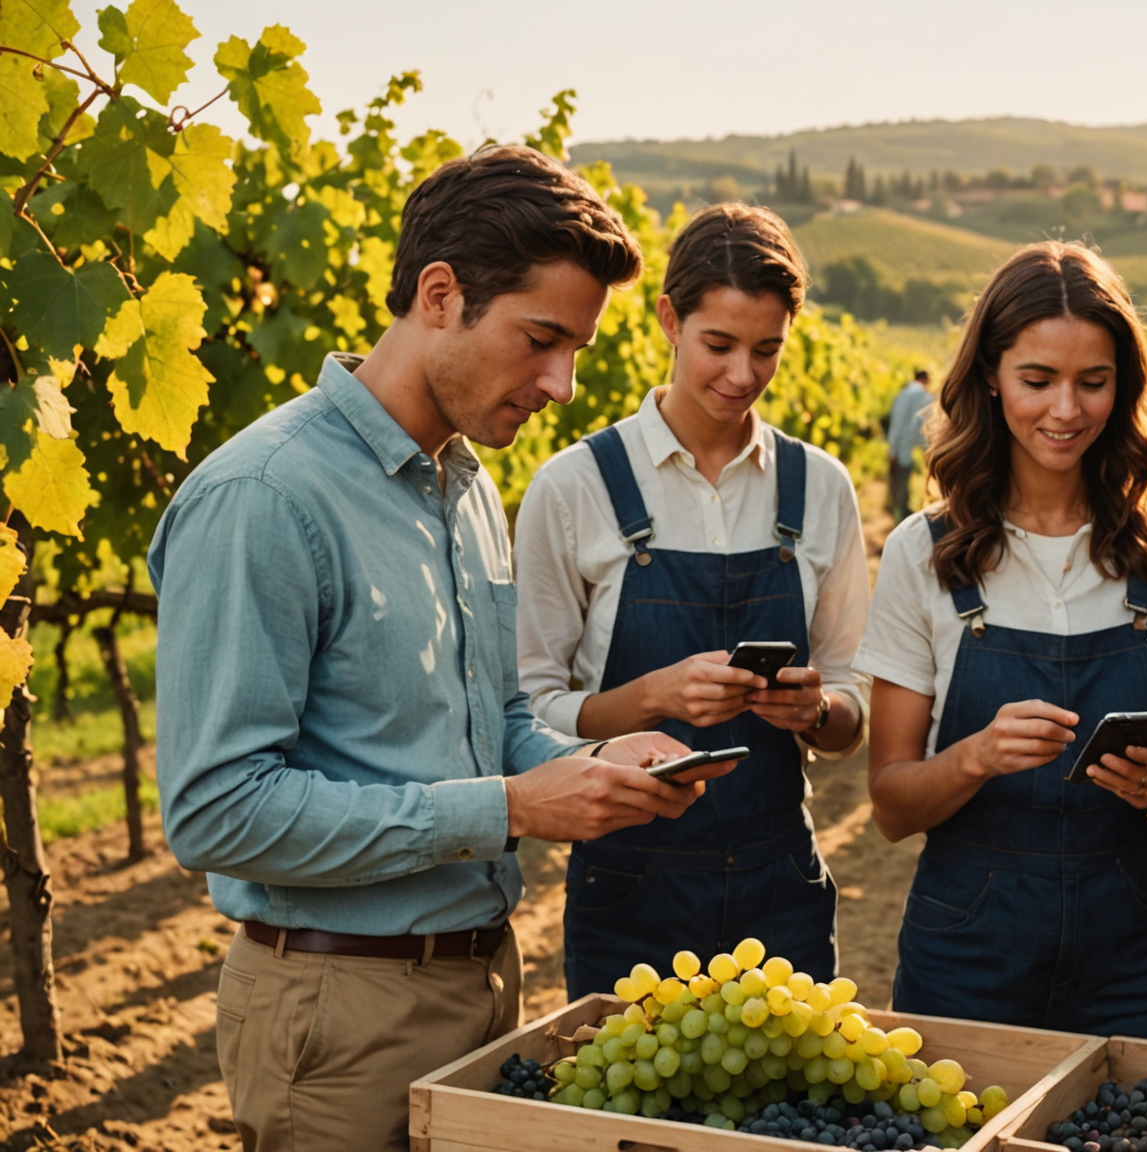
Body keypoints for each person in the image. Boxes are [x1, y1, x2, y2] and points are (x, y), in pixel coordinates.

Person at [149, 145, 718, 1152]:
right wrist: (508, 809)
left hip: (482, 983)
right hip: (336, 1013)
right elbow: (215, 813)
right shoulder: (266, 498)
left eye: (575, 348)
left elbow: (489, 724)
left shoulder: (467, 488)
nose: (563, 383)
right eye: (542, 339)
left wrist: (588, 770)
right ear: (441, 295)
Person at [857, 241, 1147, 1039]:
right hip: (966, 950)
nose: (1066, 409)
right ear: (990, 375)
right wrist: (976, 756)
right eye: (1038, 380)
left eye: (1094, 382)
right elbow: (888, 803)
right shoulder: (926, 552)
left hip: (1134, 951)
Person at [514, 203, 869, 996]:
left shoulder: (819, 488)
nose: (742, 375)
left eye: (767, 350)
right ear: (670, 320)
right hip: (629, 887)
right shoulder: (574, 487)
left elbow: (852, 706)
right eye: (719, 345)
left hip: (781, 885)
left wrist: (815, 713)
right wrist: (650, 698)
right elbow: (531, 709)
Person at [887, 368, 934, 522]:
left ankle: (899, 517)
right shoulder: (921, 395)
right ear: (925, 381)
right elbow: (920, 424)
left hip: (899, 446)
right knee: (905, 485)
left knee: (900, 484)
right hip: (908, 447)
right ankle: (905, 520)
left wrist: (892, 449)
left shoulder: (902, 394)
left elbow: (896, 424)